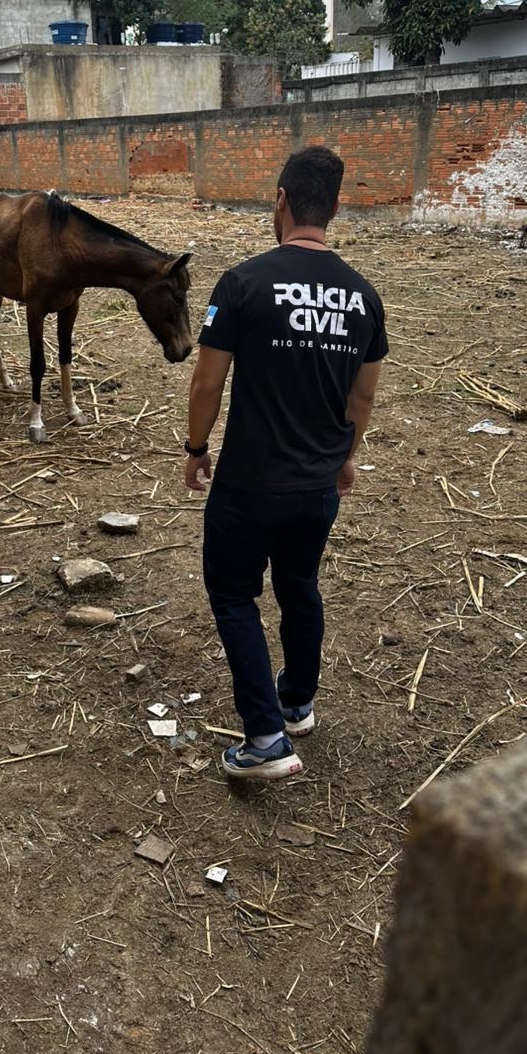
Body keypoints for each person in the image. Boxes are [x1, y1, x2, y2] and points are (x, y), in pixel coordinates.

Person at [183, 145, 387, 780]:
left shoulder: (242, 284)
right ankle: (297, 702)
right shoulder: (364, 297)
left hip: (248, 483)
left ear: (280, 200)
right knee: (299, 586)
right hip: (317, 486)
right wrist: (346, 459)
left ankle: (266, 738)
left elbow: (207, 384)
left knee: (233, 594)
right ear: (335, 208)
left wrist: (196, 448)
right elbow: (362, 398)